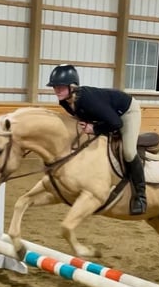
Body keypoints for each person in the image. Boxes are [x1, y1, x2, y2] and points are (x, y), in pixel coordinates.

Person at [47, 64, 146, 215]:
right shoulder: (64, 102)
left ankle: (140, 196)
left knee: (128, 151)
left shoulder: (87, 99)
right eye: (55, 86)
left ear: (72, 86)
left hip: (126, 112)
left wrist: (94, 129)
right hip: (108, 114)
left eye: (60, 86)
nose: (56, 90)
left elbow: (116, 123)